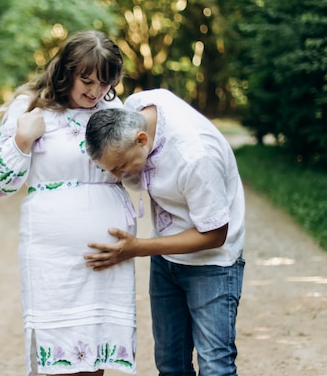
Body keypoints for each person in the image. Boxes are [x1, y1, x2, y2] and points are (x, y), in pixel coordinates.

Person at [0, 30, 138, 376]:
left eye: (104, 82)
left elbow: (136, 168)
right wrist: (22, 140)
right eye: (87, 81)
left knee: (95, 361)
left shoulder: (112, 109)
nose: (96, 91)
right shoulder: (30, 108)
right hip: (51, 259)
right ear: (66, 71)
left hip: (106, 254)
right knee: (58, 363)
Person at [83, 88, 246, 376]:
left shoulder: (195, 157)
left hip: (212, 264)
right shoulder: (138, 108)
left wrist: (139, 247)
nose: (118, 175)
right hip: (167, 258)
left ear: (141, 139)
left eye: (120, 167)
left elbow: (215, 234)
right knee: (171, 365)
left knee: (215, 366)